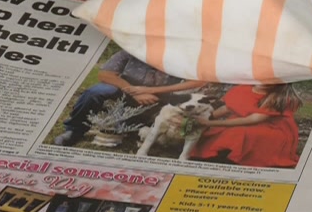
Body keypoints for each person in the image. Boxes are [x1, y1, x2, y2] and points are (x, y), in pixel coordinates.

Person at [59, 48, 207, 146]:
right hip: (124, 91)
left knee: (180, 109)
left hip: (158, 99)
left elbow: (199, 80)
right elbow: (105, 74)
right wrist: (136, 92)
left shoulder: (181, 58)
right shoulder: (128, 52)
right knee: (97, 90)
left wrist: (155, 90)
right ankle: (75, 129)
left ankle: (134, 131)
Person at [190, 84, 303, 169]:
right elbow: (228, 108)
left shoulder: (278, 97)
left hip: (274, 129)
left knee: (239, 132)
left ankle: (233, 159)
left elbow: (252, 120)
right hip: (245, 123)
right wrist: (207, 118)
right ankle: (217, 155)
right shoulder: (243, 89)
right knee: (215, 132)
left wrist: (209, 123)